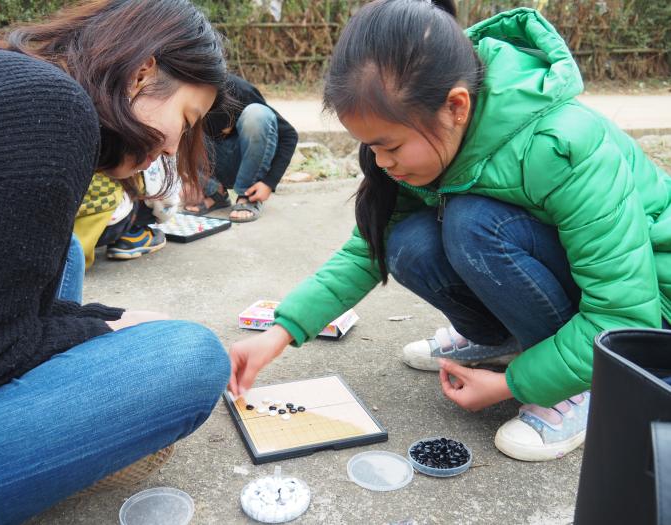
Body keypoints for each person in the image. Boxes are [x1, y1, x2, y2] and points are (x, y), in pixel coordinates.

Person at [228, 0, 671, 463]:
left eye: (390, 145)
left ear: (456, 106)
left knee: (472, 222)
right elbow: (368, 251)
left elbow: (623, 316)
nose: (381, 162)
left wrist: (513, 385)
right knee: (407, 243)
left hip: (648, 311)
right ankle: (506, 341)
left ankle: (577, 390)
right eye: (370, 147)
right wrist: (278, 333)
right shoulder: (427, 142)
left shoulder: (563, 145)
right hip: (581, 292)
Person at [0, 1, 231, 521]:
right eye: (187, 119)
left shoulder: (7, 74)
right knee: (192, 356)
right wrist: (109, 332)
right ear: (141, 74)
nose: (176, 144)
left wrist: (106, 320)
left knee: (63, 249)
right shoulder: (54, 106)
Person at [183, 73, 299, 222]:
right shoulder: (184, 93)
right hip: (212, 165)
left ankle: (248, 196)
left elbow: (289, 135)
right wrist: (187, 179)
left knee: (257, 114)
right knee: (180, 122)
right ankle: (214, 193)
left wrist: (269, 183)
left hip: (244, 163)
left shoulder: (239, 89)